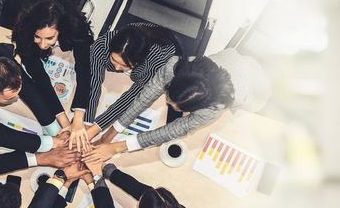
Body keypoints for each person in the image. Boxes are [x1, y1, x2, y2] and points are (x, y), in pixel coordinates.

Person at [83, 49, 271, 164]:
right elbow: (142, 99)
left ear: (198, 108)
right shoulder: (174, 66)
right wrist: (110, 134)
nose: (167, 104)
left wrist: (118, 147)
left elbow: (174, 130)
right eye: (169, 96)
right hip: (230, 60)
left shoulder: (214, 107)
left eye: (176, 106)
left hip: (255, 89)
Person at [11, 0, 94, 149]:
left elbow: (84, 70)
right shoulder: (25, 29)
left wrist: (78, 119)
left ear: (61, 31)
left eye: (50, 38)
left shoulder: (74, 27)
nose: (43, 44)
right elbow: (40, 77)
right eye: (37, 37)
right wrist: (64, 121)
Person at [85, 23, 180, 139]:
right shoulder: (103, 44)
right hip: (138, 33)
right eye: (114, 60)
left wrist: (95, 128)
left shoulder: (154, 62)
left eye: (124, 65)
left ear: (138, 62)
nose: (116, 68)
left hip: (165, 50)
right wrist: (86, 122)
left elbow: (130, 98)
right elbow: (93, 83)